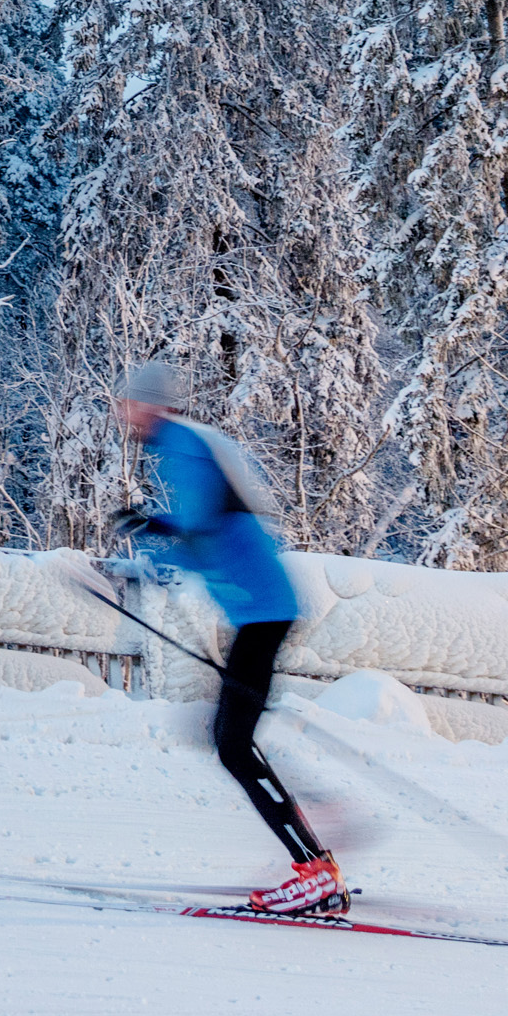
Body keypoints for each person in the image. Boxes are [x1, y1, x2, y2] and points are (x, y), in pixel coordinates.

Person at [106, 360, 345, 916]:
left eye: (128, 402)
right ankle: (317, 858)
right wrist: (157, 528)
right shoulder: (187, 445)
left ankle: (317, 871)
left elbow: (204, 531)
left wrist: (155, 532)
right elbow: (205, 526)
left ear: (150, 404)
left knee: (233, 745)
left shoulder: (181, 446)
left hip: (263, 610)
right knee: (232, 741)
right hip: (260, 610)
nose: (123, 413)